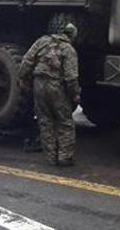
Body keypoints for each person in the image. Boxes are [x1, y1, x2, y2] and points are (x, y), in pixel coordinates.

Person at [19, 23, 81, 166]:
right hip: (56, 86)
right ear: (71, 36)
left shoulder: (42, 42)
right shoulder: (68, 49)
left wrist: (23, 78)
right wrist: (75, 94)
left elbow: (27, 61)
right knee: (64, 122)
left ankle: (51, 157)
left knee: (45, 121)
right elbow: (71, 77)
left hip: (38, 84)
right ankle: (64, 157)